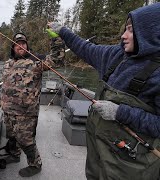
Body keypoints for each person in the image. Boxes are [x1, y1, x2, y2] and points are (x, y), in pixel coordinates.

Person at [48, 3, 160, 180]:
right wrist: (63, 31)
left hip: (132, 165)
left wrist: (120, 112)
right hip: (98, 152)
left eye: (131, 30)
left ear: (150, 33)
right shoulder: (115, 54)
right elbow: (84, 48)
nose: (123, 35)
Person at [0, 32, 64, 177]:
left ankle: (36, 164)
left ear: (27, 45)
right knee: (11, 135)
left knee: (25, 140)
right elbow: (5, 82)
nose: (20, 46)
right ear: (13, 47)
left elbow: (57, 59)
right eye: (17, 44)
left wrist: (56, 38)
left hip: (26, 112)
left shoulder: (35, 61)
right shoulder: (8, 63)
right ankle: (15, 155)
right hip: (7, 110)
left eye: (23, 43)